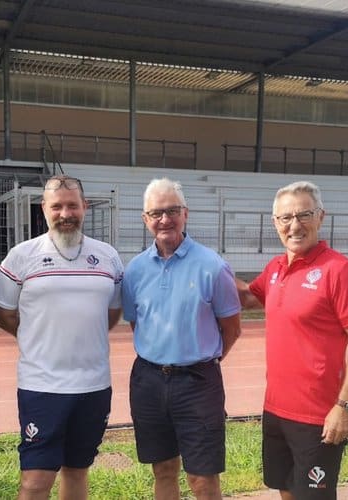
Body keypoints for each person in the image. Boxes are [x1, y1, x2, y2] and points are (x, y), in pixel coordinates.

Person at [236, 180, 348, 500]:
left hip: (319, 418)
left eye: (304, 215)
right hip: (276, 411)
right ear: (275, 223)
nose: (294, 225)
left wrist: (345, 406)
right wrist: (205, 268)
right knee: (285, 490)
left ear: (320, 217)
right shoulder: (274, 269)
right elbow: (245, 298)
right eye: (285, 218)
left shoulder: (340, 270)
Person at [0, 175, 124, 500]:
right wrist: (39, 337)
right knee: (35, 482)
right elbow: (5, 315)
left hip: (93, 387)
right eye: (57, 206)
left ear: (85, 207)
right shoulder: (20, 257)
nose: (65, 213)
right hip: (42, 387)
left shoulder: (108, 257)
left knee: (77, 472)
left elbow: (110, 313)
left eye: (72, 205)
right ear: (44, 209)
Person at [121, 177, 242, 500]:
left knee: (202, 480)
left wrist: (203, 358)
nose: (165, 219)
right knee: (162, 471)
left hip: (198, 383)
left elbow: (231, 327)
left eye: (172, 210)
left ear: (185, 213)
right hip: (148, 381)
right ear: (145, 219)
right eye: (156, 213)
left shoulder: (213, 267)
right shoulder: (134, 271)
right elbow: (138, 325)